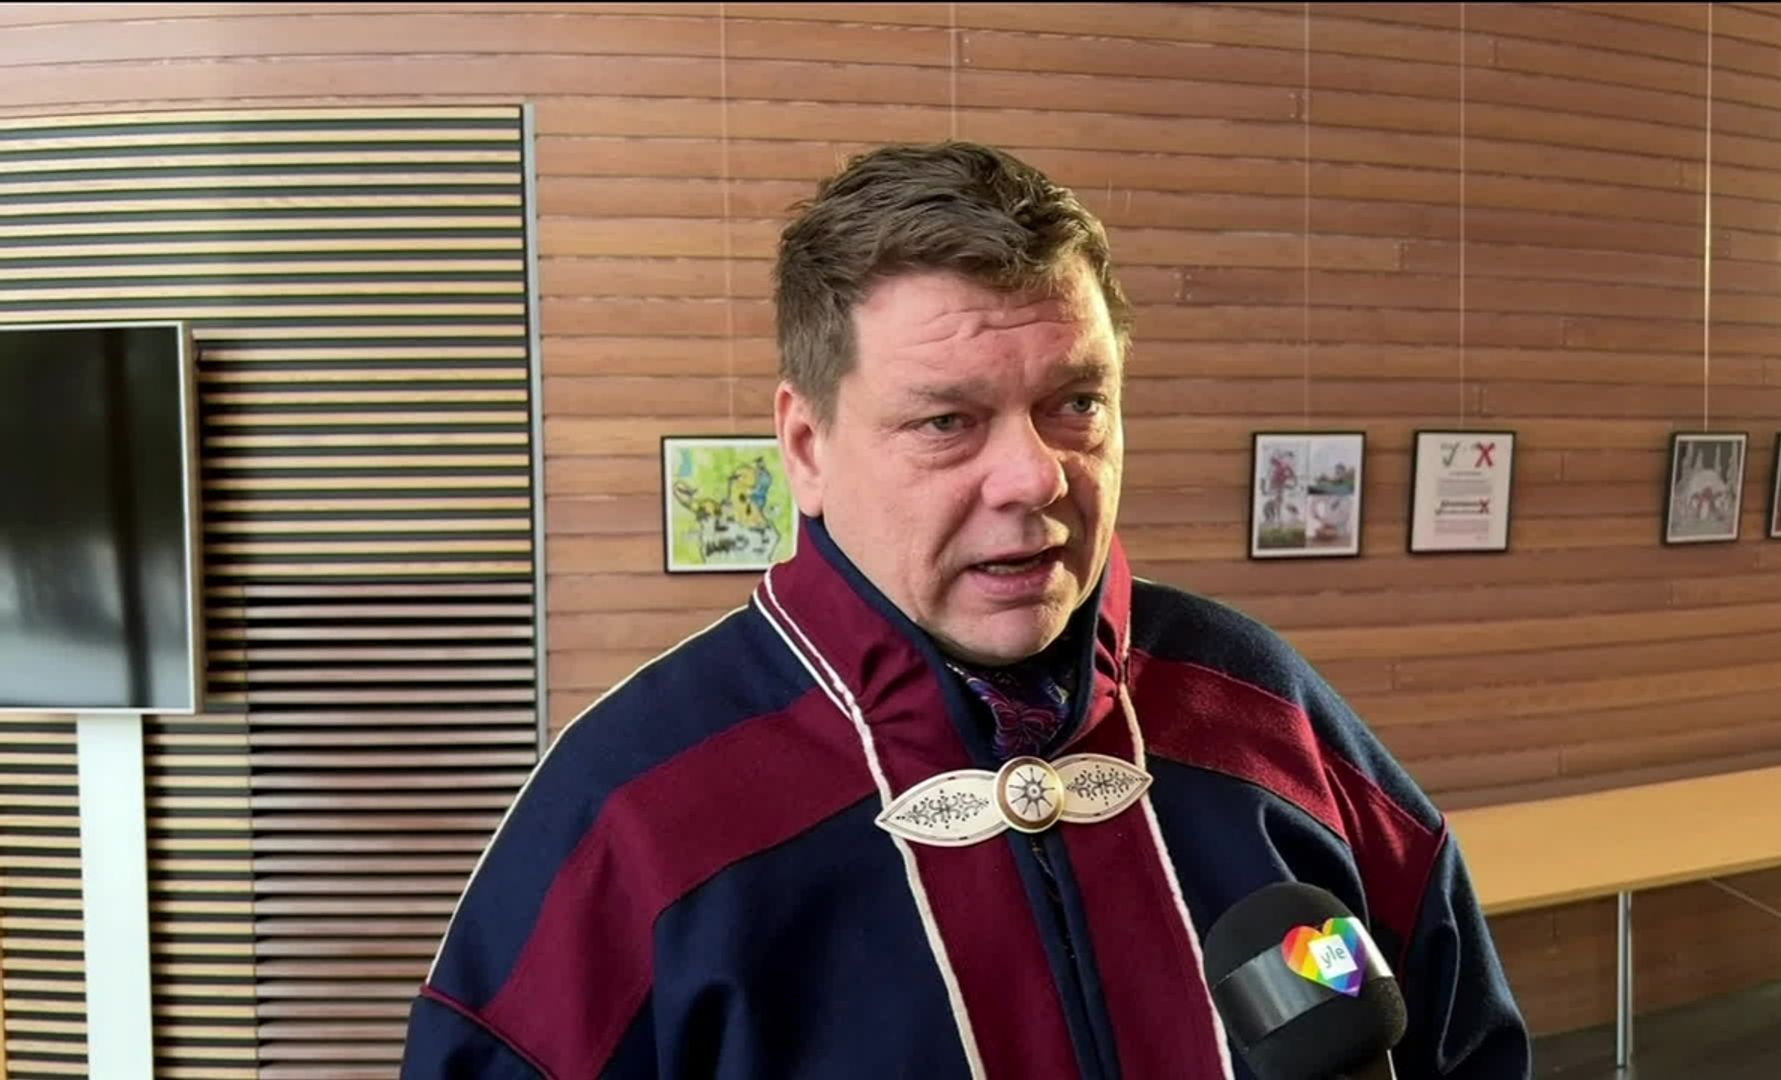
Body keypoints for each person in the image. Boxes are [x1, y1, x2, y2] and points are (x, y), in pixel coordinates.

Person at [402, 142, 1530, 1079]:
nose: (1035, 477)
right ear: (806, 446)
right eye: (947, 421)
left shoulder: (1266, 710)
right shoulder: (631, 812)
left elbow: (1467, 1047)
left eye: (1076, 403)